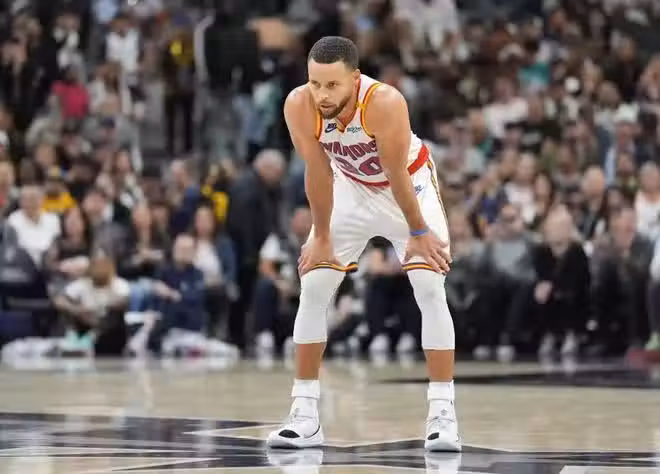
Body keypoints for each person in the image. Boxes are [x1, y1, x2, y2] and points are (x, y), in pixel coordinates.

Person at [267, 36, 458, 452]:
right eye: (315, 83)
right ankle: (304, 414)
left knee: (429, 286)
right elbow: (318, 171)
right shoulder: (298, 104)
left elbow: (396, 173)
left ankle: (443, 414)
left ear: (355, 79)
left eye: (332, 85)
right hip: (351, 188)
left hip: (408, 186)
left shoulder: (384, 102)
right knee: (314, 285)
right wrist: (321, 236)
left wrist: (419, 233)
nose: (321, 94)